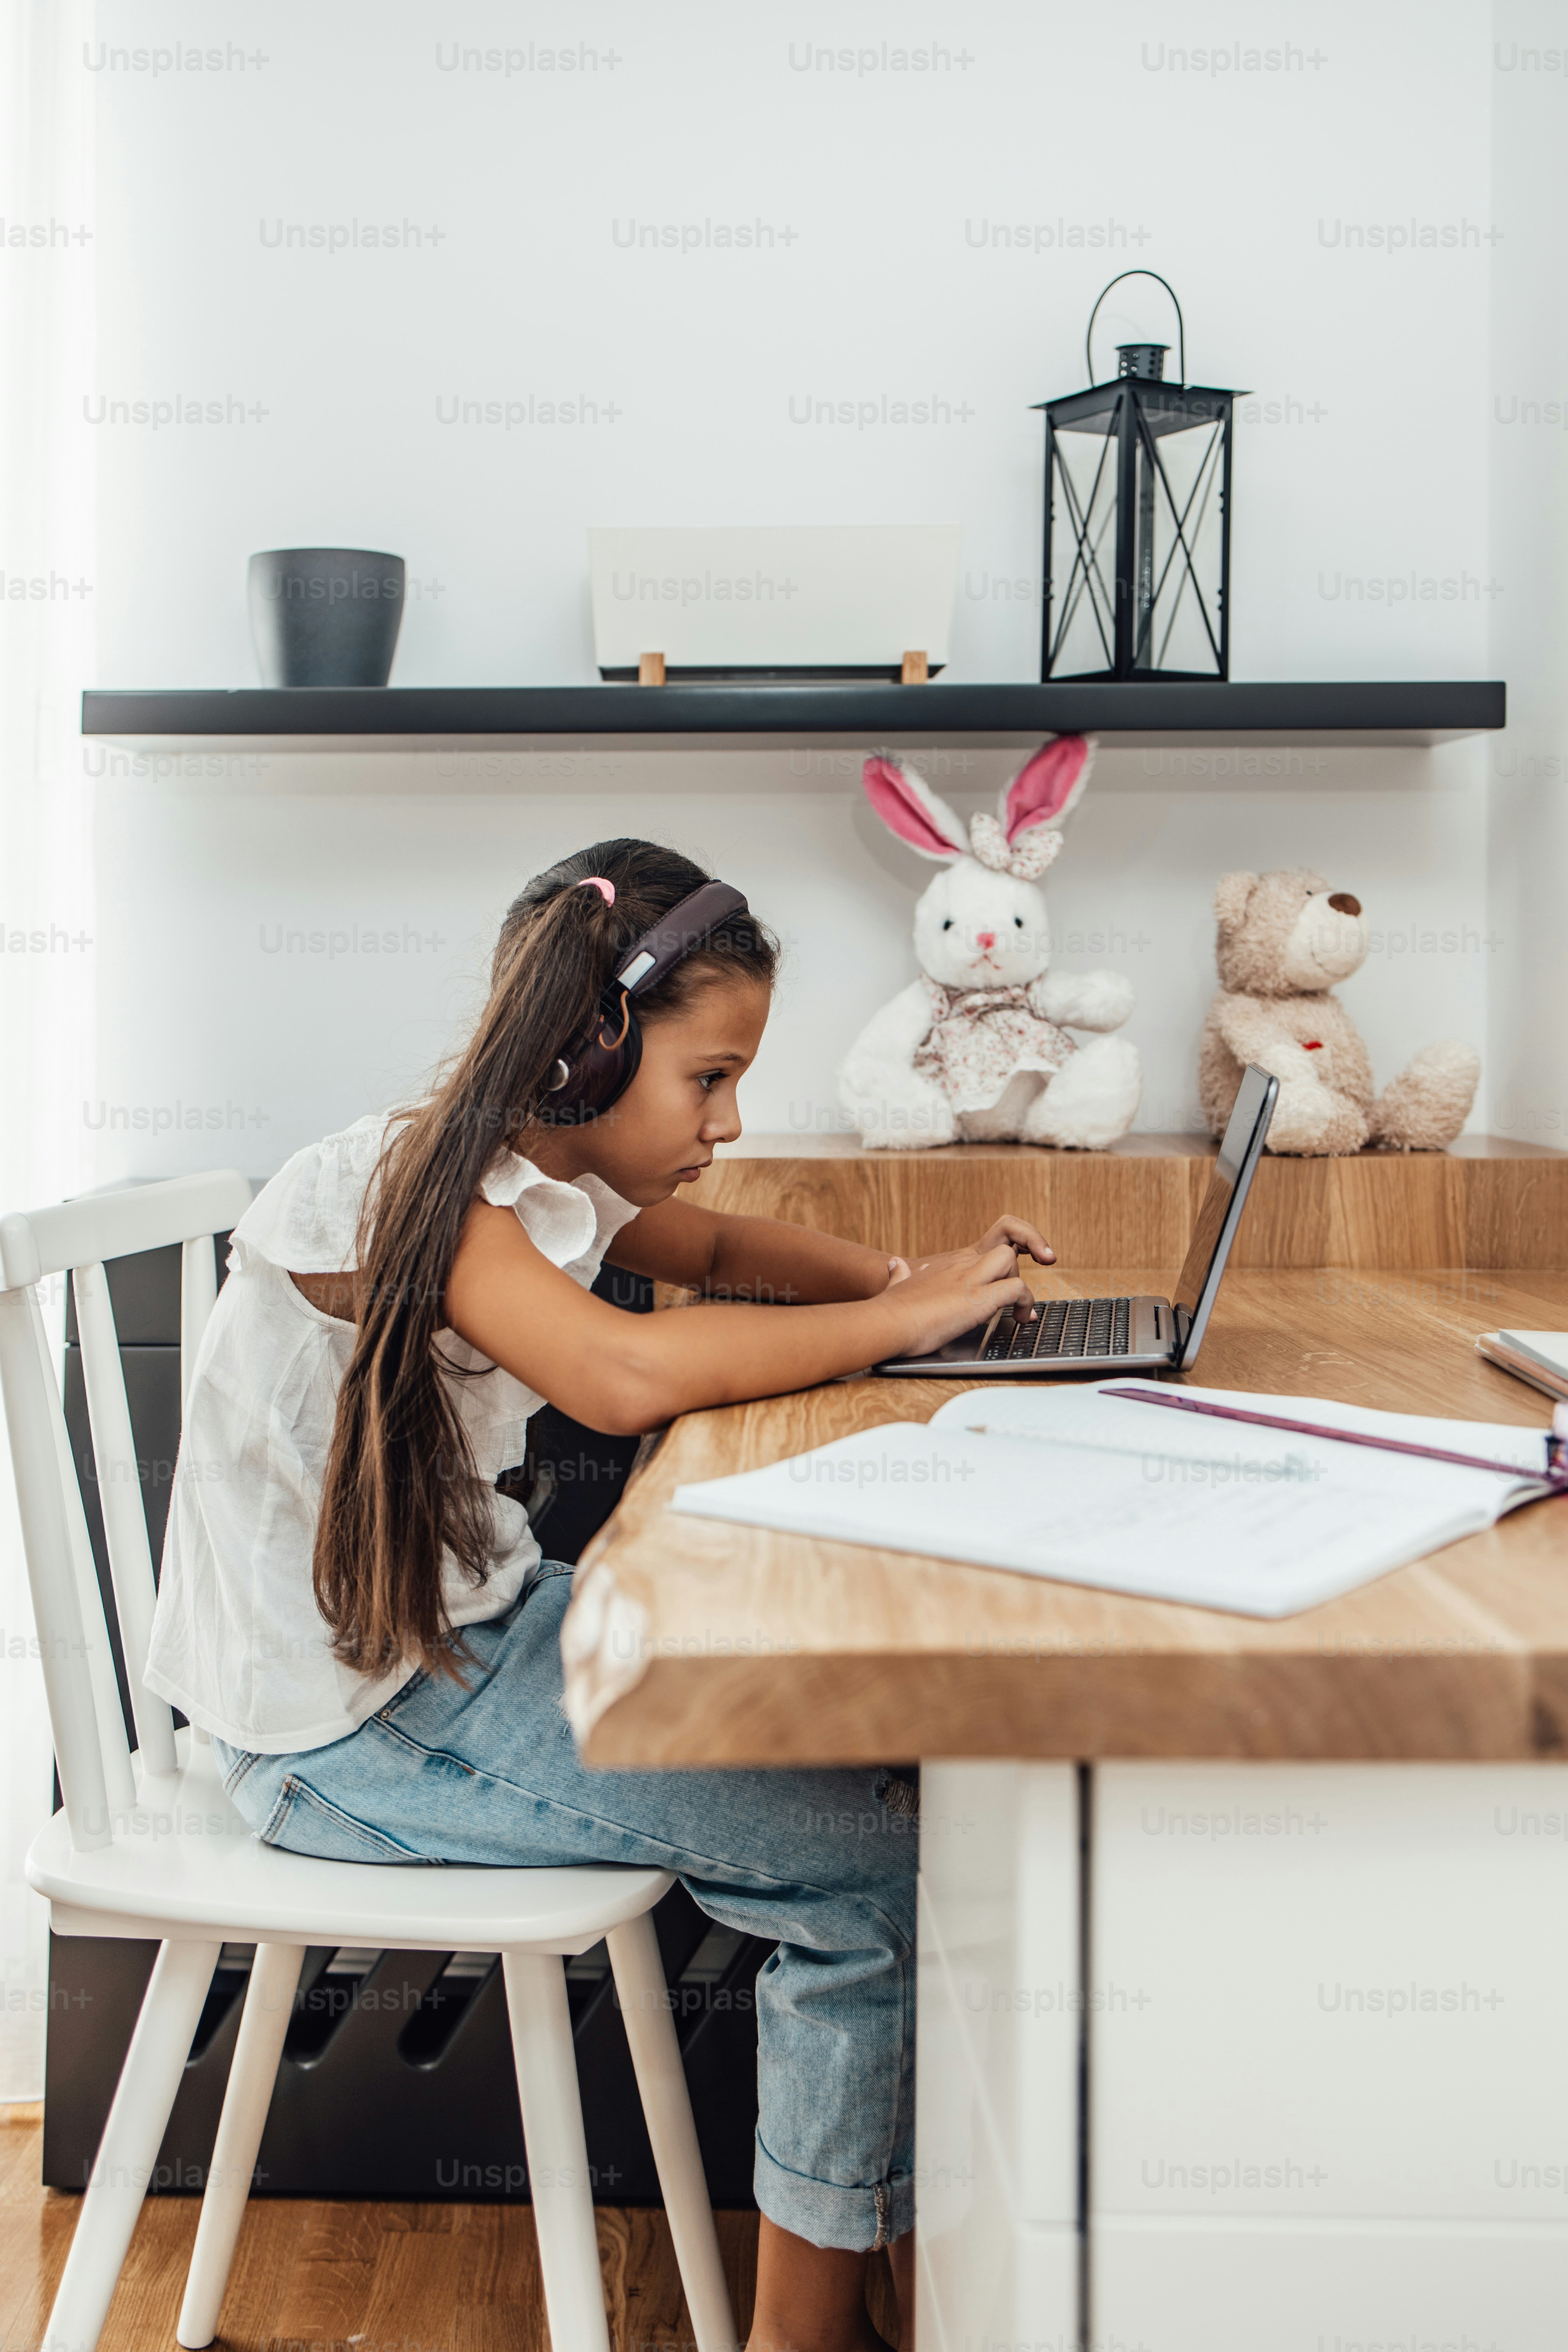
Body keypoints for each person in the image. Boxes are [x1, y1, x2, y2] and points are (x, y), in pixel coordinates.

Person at [145, 837, 1054, 2352]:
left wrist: (906, 1273)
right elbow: (620, 1375)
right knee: (872, 1882)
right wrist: (902, 1323)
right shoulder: (396, 1190)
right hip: (345, 1729)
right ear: (587, 1050)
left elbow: (709, 1245)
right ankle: (805, 2329)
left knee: (881, 1755)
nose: (732, 1117)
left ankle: (894, 2254)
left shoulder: (529, 1173)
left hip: (459, 1649)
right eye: (707, 1079)